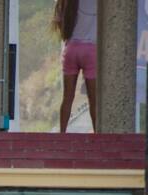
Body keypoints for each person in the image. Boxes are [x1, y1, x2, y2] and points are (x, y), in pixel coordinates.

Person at [53, 0, 97, 133]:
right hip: (90, 49)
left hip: (71, 48)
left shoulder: (67, 2)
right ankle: (97, 134)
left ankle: (62, 133)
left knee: (67, 97)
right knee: (93, 99)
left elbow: (60, 24)